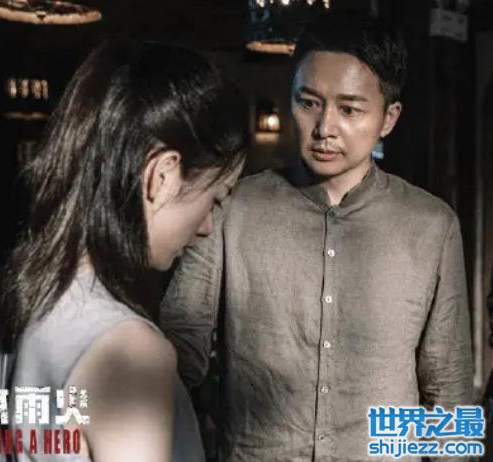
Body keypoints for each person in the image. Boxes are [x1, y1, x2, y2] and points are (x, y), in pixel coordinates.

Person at [160, 12, 474, 462]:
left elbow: (449, 391)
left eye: (349, 110)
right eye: (308, 103)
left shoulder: (432, 226)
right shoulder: (232, 207)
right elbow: (177, 354)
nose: (325, 128)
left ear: (388, 118)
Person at [0, 40, 248, 462]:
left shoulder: (19, 299)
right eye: (215, 198)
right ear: (162, 175)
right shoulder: (130, 352)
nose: (207, 227)